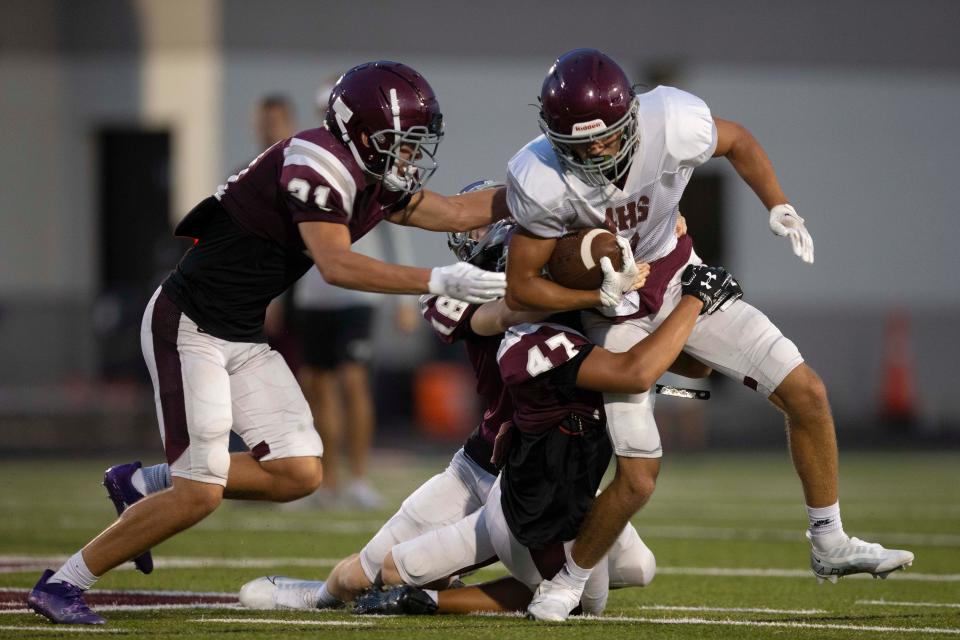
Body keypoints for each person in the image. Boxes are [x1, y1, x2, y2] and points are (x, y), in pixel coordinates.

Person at [26, 60, 509, 625]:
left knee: (299, 472)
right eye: (399, 143)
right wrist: (435, 279)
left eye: (414, 145)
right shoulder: (315, 161)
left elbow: (454, 209)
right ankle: (62, 583)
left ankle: (141, 480)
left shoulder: (366, 172)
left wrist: (546, 198)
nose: (408, 157)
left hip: (240, 332)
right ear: (357, 132)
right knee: (199, 492)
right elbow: (334, 263)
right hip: (190, 323)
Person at [503, 48, 913, 621]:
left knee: (807, 393)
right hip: (614, 311)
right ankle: (569, 580)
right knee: (640, 477)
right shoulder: (539, 175)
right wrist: (591, 296)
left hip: (679, 276)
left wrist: (779, 205)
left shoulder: (670, 121)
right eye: (579, 143)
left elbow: (739, 140)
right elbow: (521, 287)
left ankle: (829, 539)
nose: (596, 150)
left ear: (631, 117)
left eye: (607, 136)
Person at [236, 193, 698, 614]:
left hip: (549, 472)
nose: (471, 233)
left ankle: (441, 595)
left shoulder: (565, 278)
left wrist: (657, 230)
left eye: (482, 224)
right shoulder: (484, 294)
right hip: (479, 466)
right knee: (361, 574)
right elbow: (500, 314)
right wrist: (588, 293)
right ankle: (317, 596)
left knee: (636, 567)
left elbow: (645, 321)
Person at [349, 257, 740, 617]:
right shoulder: (529, 342)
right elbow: (636, 372)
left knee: (640, 567)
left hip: (561, 490)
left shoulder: (594, 327)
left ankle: (441, 586)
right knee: (582, 601)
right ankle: (433, 599)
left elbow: (695, 368)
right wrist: (695, 299)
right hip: (531, 513)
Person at [288, 81, 420, 508]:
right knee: (318, 387)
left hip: (359, 292)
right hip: (314, 292)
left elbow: (395, 225)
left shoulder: (371, 163)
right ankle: (327, 481)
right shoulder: (311, 162)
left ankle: (358, 476)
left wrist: (405, 301)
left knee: (353, 380)